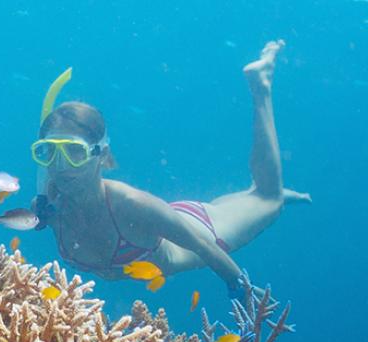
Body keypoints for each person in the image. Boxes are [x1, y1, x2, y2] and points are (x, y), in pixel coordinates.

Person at [32, 40, 309, 295]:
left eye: (75, 151)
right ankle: (254, 197)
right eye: (48, 151)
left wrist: (238, 285)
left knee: (268, 199)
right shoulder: (49, 203)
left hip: (204, 229)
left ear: (100, 154)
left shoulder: (131, 203)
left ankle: (261, 86)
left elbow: (202, 245)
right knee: (247, 199)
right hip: (168, 217)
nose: (60, 164)